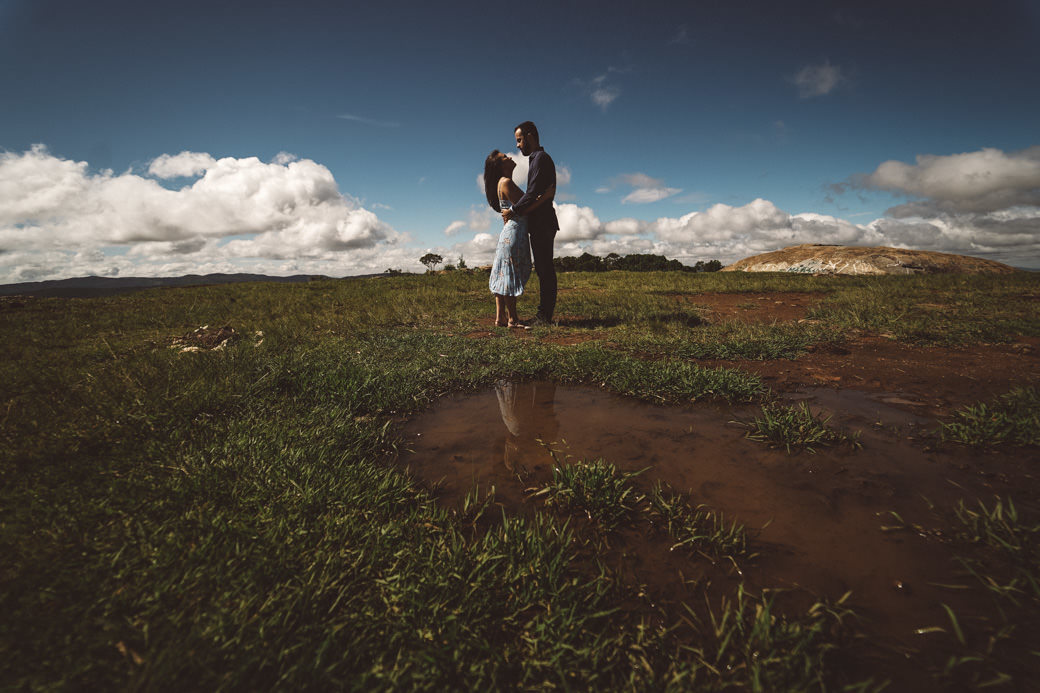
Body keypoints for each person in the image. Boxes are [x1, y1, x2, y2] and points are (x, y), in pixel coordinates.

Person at [483, 149, 555, 327]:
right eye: (504, 158)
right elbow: (526, 207)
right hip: (515, 233)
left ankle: (501, 317)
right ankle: (513, 319)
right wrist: (545, 197)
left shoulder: (503, 182)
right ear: (500, 166)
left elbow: (520, 206)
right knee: (509, 273)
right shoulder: (506, 182)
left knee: (503, 272)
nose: (510, 157)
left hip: (510, 232)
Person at [502, 121, 559, 325]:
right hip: (541, 222)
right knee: (543, 269)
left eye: (519, 140)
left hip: (543, 223)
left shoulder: (540, 158)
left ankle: (544, 317)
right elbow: (535, 194)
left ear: (530, 136)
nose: (517, 145)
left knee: (545, 270)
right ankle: (544, 315)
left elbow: (533, 193)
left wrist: (513, 210)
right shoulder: (537, 159)